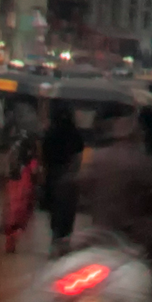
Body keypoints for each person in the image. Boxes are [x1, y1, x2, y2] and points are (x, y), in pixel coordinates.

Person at [79, 108, 152, 302]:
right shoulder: (142, 163)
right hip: (135, 233)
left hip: (99, 230)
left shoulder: (96, 158)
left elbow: (78, 186)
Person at [39, 102, 87, 256]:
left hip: (52, 177)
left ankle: (56, 240)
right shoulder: (74, 132)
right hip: (69, 178)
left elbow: (43, 156)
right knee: (67, 212)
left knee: (55, 213)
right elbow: (78, 155)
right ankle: (64, 243)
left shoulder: (49, 132)